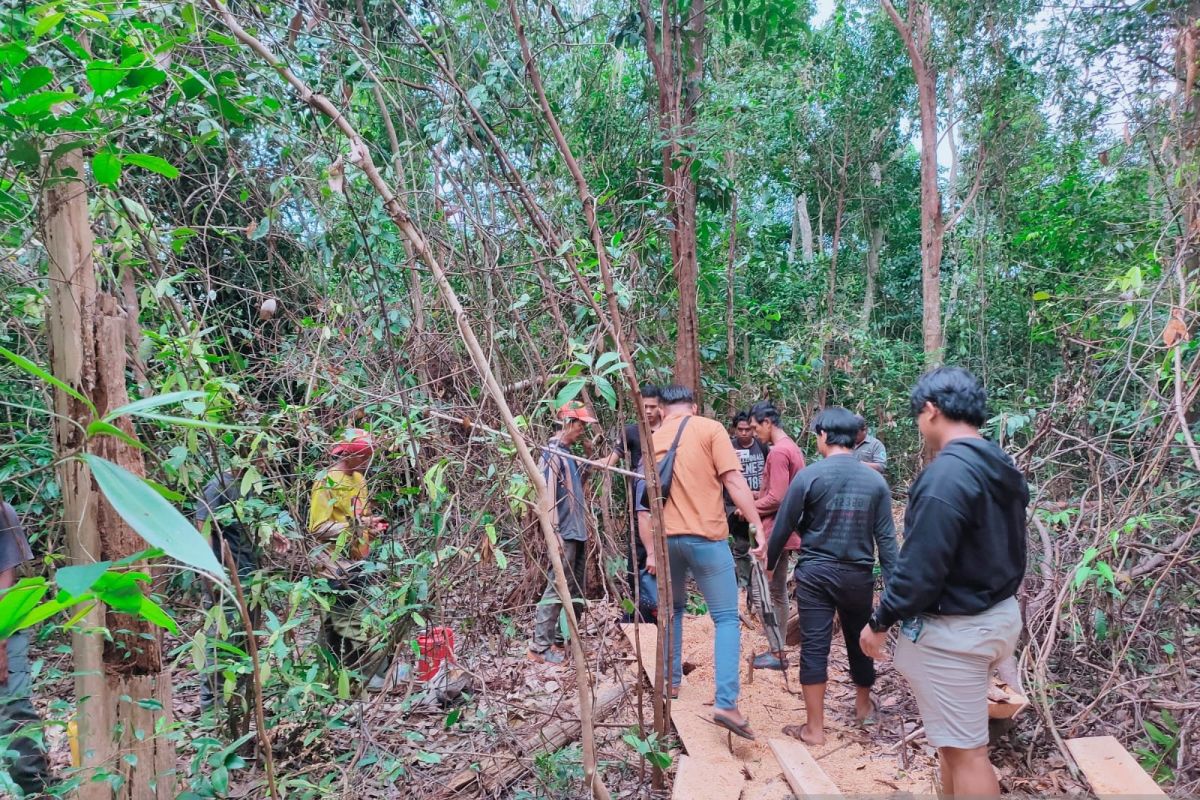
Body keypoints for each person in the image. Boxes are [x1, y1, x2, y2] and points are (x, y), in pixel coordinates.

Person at [860, 367, 1026, 798]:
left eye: (919, 416)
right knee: (955, 748)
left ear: (931, 411)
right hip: (996, 613)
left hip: (959, 630)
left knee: (968, 753)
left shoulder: (945, 476)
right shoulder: (997, 461)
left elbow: (919, 571)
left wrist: (879, 622)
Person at [754, 407, 898, 745]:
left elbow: (785, 524)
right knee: (859, 639)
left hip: (815, 574)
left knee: (815, 646)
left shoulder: (810, 476)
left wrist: (771, 562)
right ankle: (862, 710)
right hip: (857, 576)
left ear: (823, 435)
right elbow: (887, 543)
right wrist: (893, 596)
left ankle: (814, 729)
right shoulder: (876, 481)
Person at [637, 385, 764, 739]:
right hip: (706, 538)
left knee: (674, 610)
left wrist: (650, 549)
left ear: (662, 410)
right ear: (693, 406)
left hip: (667, 543)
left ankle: (671, 683)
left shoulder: (654, 439)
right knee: (725, 618)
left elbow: (644, 505)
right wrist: (758, 527)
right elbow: (733, 480)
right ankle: (726, 701)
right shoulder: (710, 429)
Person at [194, 456, 290, 711]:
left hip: (250, 577)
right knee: (220, 637)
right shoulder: (219, 485)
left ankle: (239, 703)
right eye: (261, 459)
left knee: (245, 639)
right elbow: (202, 524)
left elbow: (249, 523)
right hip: (224, 576)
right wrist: (209, 570)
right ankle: (212, 708)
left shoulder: (249, 486)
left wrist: (271, 534)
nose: (265, 465)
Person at [308, 429, 391, 685]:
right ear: (353, 456)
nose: (367, 463)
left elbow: (361, 519)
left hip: (359, 561)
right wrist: (356, 525)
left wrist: (371, 528)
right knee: (352, 621)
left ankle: (327, 676)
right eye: (365, 457)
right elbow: (318, 528)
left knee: (335, 624)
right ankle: (368, 675)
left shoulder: (359, 480)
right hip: (335, 566)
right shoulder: (326, 482)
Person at [528, 402, 597, 664]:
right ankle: (539, 647)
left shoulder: (567, 453)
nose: (582, 431)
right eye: (580, 425)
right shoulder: (551, 453)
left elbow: (577, 485)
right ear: (569, 423)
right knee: (557, 587)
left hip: (576, 531)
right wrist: (554, 534)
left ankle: (562, 640)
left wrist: (588, 459)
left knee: (575, 588)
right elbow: (547, 497)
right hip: (564, 531)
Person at [745, 400, 806, 670]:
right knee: (778, 590)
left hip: (774, 529)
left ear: (768, 423)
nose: (755, 433)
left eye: (757, 427)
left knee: (762, 590)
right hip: (787, 528)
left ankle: (777, 651)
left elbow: (778, 497)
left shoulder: (779, 452)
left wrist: (747, 507)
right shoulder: (792, 447)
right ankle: (778, 649)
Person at [0, 502, 49, 796]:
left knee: (13, 710)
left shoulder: (2, 512)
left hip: (4, 621)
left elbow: (6, 575)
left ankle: (36, 789)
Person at [607, 385, 662, 622]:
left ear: (661, 407)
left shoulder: (670, 431)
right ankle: (640, 610)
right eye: (644, 406)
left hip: (668, 505)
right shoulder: (631, 432)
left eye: (652, 406)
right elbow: (610, 460)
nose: (648, 411)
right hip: (641, 505)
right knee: (638, 558)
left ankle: (663, 608)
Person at [727, 410, 767, 594]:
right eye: (740, 429)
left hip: (760, 504)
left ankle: (759, 584)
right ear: (735, 430)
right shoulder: (728, 447)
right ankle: (743, 585)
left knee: (758, 544)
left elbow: (769, 472)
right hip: (735, 507)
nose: (744, 433)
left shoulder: (762, 446)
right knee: (741, 546)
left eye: (747, 429)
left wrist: (762, 494)